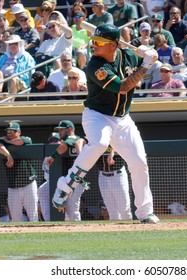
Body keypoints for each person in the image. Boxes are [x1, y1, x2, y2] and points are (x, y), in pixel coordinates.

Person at [51, 23, 160, 224]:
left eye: (100, 42)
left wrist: (150, 51)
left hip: (123, 119)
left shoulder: (128, 55)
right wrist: (146, 64)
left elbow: (154, 58)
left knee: (139, 163)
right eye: (94, 41)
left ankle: (146, 213)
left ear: (114, 45)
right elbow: (124, 87)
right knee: (100, 143)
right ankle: (66, 184)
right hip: (97, 115)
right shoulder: (94, 65)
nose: (95, 45)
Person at [0, 122, 38, 222]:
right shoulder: (2, 141)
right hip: (13, 186)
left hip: (28, 184)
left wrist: (7, 141)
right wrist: (8, 155)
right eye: (8, 131)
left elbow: (20, 142)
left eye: (12, 131)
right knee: (15, 217)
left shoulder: (25, 138)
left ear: (19, 132)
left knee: (33, 214)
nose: (9, 133)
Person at [47, 120, 87, 221]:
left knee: (72, 209)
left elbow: (64, 146)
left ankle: (79, 231)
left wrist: (52, 156)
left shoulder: (74, 138)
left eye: (61, 130)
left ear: (69, 129)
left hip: (75, 181)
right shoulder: (67, 140)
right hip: (67, 181)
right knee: (45, 193)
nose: (59, 132)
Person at [0, 34, 36, 100]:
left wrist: (13, 76)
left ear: (19, 45)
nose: (12, 46)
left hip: (20, 81)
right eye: (10, 44)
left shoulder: (27, 57)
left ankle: (10, 102)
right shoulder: (5, 56)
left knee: (13, 78)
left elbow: (30, 74)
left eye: (15, 44)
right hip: (2, 79)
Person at [97, 146, 133, 220]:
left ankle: (129, 230)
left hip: (118, 175)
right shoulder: (96, 136)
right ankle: (116, 231)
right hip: (103, 176)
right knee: (112, 211)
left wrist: (112, 152)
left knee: (124, 209)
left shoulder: (115, 135)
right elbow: (83, 141)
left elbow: (121, 143)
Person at [38, 132, 61, 222]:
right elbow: (45, 174)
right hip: (50, 182)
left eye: (55, 140)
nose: (53, 142)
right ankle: (47, 220)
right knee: (41, 190)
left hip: (64, 183)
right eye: (51, 140)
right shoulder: (47, 155)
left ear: (61, 141)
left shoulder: (64, 152)